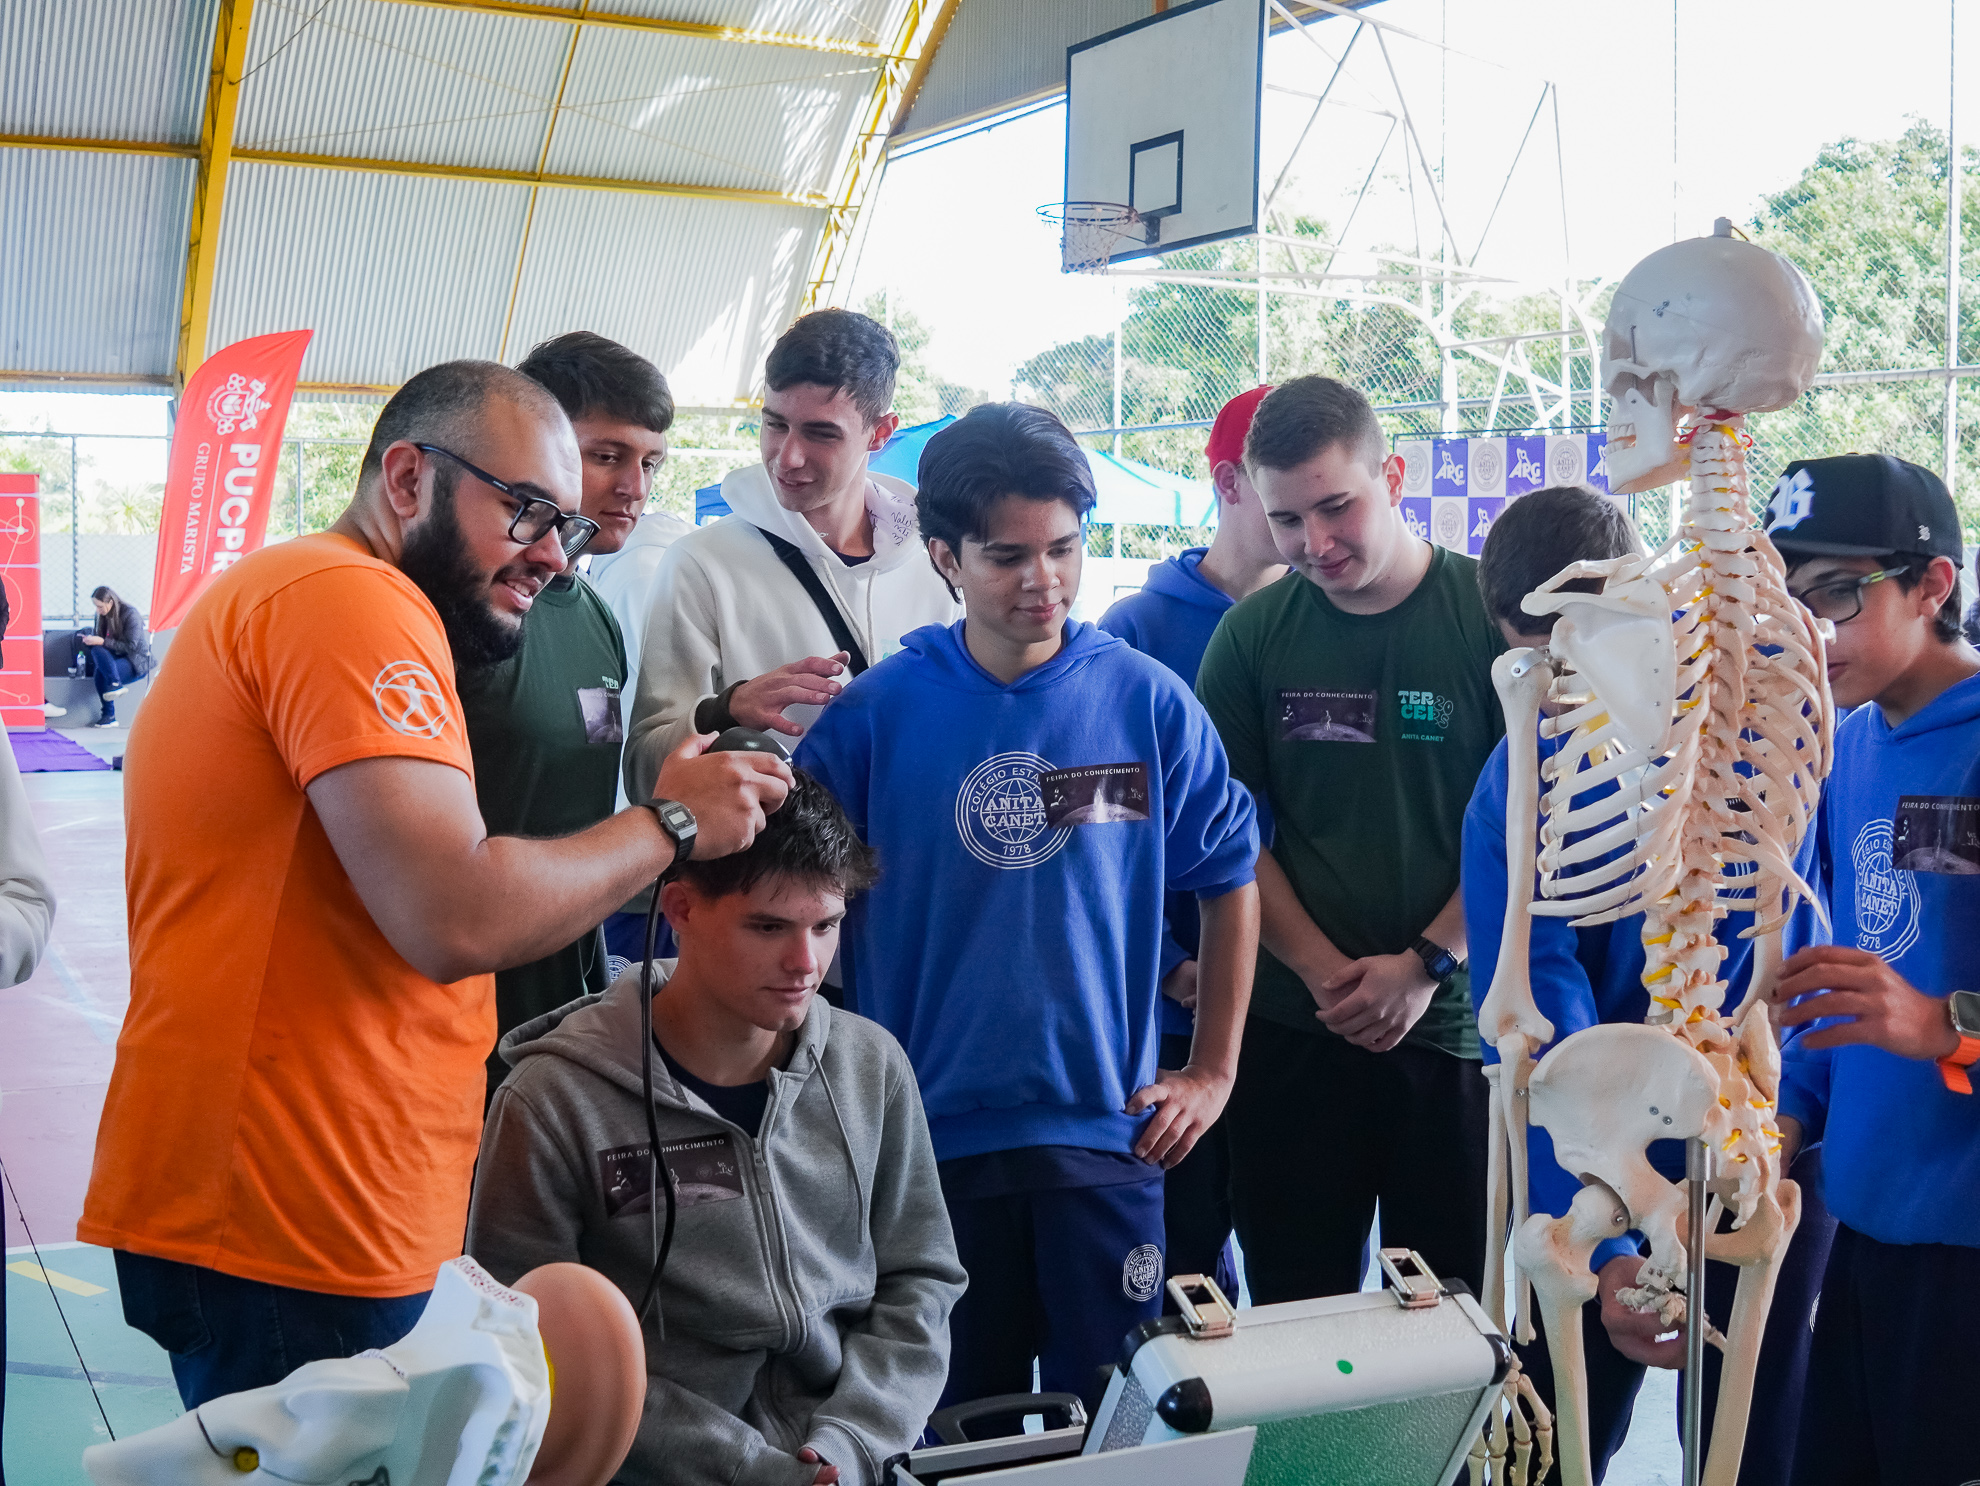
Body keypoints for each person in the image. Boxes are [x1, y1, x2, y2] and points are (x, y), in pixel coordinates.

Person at [79, 360, 792, 1410]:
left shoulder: (330, 599)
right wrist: (671, 822)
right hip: (295, 1221)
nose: (554, 551)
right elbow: (452, 910)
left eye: (568, 524)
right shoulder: (346, 598)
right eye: (527, 512)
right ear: (407, 478)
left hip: (323, 1207)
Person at [795, 403, 1260, 1419]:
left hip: (1109, 1139)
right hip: (925, 1148)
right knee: (956, 1427)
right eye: (1008, 556)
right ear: (945, 556)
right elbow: (793, 904)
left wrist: (1213, 1070)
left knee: (1118, 1427)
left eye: (1064, 549)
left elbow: (1230, 876)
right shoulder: (878, 716)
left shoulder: (1146, 701)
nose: (1042, 580)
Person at [1463, 485, 1831, 1486]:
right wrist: (1606, 1207)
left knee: (1761, 1436)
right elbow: (1530, 1005)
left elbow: (1798, 949)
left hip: (1757, 1125)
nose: (1560, 685)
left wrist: (1784, 1118)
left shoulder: (1758, 728)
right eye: (1538, 666)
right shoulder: (1521, 776)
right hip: (1597, 1142)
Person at [467, 770, 964, 1486]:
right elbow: (526, 1348)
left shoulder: (870, 1066)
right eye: (768, 927)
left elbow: (921, 1280)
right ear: (680, 909)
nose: (806, 964)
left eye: (825, 926)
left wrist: (849, 1443)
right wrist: (750, 1469)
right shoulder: (553, 1102)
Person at [1194, 375, 1501, 1305]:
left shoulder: (1491, 614)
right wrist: (1328, 973)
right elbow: (1230, 837)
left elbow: (1530, 826)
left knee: (1452, 1321)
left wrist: (1426, 964)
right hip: (1299, 1029)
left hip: (1456, 1033)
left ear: (1394, 477)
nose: (1316, 544)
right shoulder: (1250, 639)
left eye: (1338, 507)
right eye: (1289, 521)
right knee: (1297, 1310)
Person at [1757, 454, 1980, 1486]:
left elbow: (1913, 1005)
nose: (1812, 631)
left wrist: (1944, 1022)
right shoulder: (1845, 749)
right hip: (1862, 1223)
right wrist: (1787, 1116)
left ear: (1933, 586)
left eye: (1839, 594)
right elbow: (1837, 985)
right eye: (1788, 597)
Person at [1097, 385, 1286, 1298]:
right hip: (1173, 1026)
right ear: (1229, 481)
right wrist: (1173, 963)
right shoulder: (1135, 633)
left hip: (1301, 1016)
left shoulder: (1326, 617)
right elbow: (1089, 830)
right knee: (1181, 1274)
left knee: (1307, 1276)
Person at [456, 331, 675, 1101]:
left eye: (651, 462)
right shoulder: (456, 612)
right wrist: (675, 823)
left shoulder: (594, 616)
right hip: (452, 1022)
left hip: (566, 1022)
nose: (633, 486)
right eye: (607, 455)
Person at [624, 309, 959, 806]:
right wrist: (726, 709)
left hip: (906, 860)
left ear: (880, 432)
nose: (787, 457)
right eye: (775, 424)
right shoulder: (702, 564)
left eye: (821, 434)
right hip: (769, 875)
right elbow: (640, 770)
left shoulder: (935, 564)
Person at [78, 585, 151, 728]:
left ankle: (110, 709)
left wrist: (103, 641)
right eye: (95, 606)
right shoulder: (101, 616)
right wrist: (91, 640)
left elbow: (132, 647)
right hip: (114, 659)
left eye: (100, 606)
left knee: (101, 672)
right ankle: (114, 690)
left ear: (110, 603)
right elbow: (101, 644)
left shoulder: (131, 614)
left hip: (135, 661)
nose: (97, 610)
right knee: (96, 652)